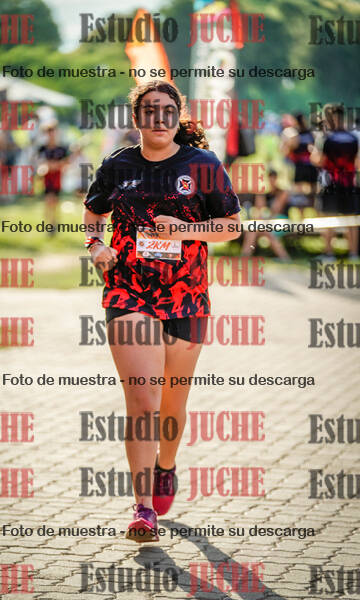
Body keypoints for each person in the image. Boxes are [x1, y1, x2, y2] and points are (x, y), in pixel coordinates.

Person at [82, 81, 241, 542]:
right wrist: (95, 246)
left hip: (186, 296)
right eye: (149, 110)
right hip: (128, 291)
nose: (158, 118)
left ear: (177, 116)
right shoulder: (117, 165)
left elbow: (231, 227)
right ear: (137, 118)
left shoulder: (203, 164)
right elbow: (93, 215)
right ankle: (143, 508)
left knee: (172, 401)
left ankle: (166, 465)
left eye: (167, 110)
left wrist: (185, 230)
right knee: (143, 400)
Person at [312, 104, 359, 258]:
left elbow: (318, 160)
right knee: (351, 219)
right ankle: (353, 253)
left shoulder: (325, 137)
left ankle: (329, 253)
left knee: (328, 217)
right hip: (349, 183)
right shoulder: (354, 136)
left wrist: (313, 151)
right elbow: (358, 163)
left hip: (329, 183)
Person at [242, 169, 290, 259]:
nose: (271, 181)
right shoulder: (264, 194)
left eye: (273, 178)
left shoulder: (282, 192)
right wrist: (260, 194)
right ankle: (245, 256)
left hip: (281, 220)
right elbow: (260, 210)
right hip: (267, 222)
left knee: (265, 231)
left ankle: (284, 257)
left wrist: (265, 217)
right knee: (253, 230)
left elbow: (275, 210)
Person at [37, 121, 69, 232]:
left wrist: (56, 165)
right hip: (47, 179)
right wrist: (50, 166)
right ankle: (49, 224)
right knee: (48, 200)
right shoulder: (42, 148)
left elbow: (66, 162)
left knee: (55, 201)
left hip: (57, 178)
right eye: (48, 132)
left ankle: (54, 222)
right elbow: (40, 163)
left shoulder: (61, 149)